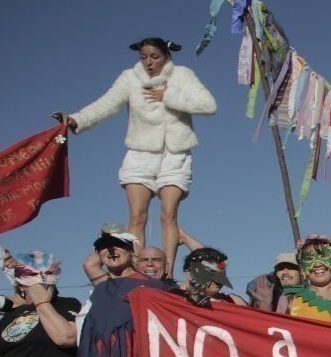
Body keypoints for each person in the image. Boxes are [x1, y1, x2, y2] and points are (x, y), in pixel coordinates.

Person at [63, 37, 217, 278]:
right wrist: (77, 119)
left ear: (167, 56)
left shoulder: (182, 75)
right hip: (140, 153)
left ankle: (166, 273)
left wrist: (169, 95)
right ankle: (135, 272)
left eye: (154, 57)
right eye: (144, 57)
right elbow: (107, 104)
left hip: (174, 154)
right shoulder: (130, 78)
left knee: (168, 215)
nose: (148, 62)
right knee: (137, 215)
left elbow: (208, 105)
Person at [279, 236, 331, 323]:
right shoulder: (289, 297)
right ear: (302, 267)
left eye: (324, 256)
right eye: (309, 259)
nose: (318, 264)